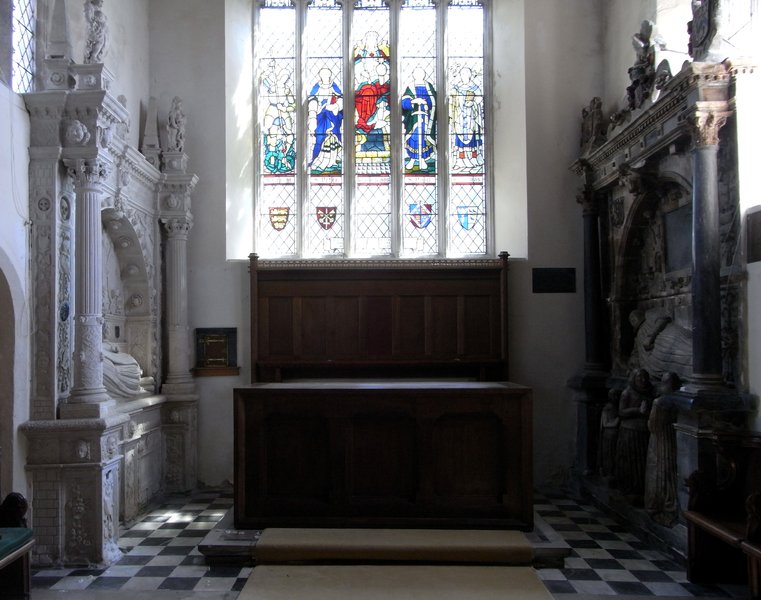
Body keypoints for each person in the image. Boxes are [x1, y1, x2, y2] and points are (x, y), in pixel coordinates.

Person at [615, 368, 653, 499]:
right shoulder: (627, 393)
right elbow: (621, 412)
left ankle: (640, 488)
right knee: (630, 462)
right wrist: (637, 410)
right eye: (639, 377)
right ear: (633, 379)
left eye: (645, 377)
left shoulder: (649, 393)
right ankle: (630, 488)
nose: (642, 380)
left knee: (641, 462)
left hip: (643, 431)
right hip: (630, 432)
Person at [629, 308, 693, 379]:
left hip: (667, 337)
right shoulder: (638, 336)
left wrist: (650, 337)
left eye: (634, 316)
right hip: (656, 356)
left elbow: (662, 319)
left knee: (684, 349)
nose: (632, 319)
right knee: (674, 361)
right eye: (631, 319)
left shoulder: (649, 314)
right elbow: (635, 353)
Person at [308, 68, 343, 173]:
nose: (325, 75)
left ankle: (331, 162)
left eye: (327, 73)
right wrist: (313, 116)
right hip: (320, 116)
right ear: (319, 75)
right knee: (320, 137)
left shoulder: (334, 87)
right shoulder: (316, 87)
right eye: (323, 73)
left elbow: (341, 99)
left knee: (333, 137)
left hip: (332, 116)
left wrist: (335, 106)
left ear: (330, 75)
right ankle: (315, 160)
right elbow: (312, 100)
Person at [402, 67, 437, 172]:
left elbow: (434, 101)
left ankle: (422, 160)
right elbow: (404, 102)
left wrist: (426, 103)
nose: (419, 75)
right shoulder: (410, 87)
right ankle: (412, 159)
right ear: (413, 75)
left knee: (424, 138)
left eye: (421, 73)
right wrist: (413, 101)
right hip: (413, 119)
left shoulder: (428, 86)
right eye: (416, 73)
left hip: (426, 118)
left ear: (424, 75)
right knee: (414, 138)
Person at [450, 66, 483, 173]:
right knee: (459, 139)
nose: (462, 76)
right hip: (459, 117)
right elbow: (452, 101)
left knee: (472, 139)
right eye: (461, 74)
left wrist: (472, 103)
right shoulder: (457, 87)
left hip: (471, 117)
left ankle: (473, 160)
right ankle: (460, 161)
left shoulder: (475, 88)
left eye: (465, 74)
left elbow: (479, 100)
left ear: (470, 75)